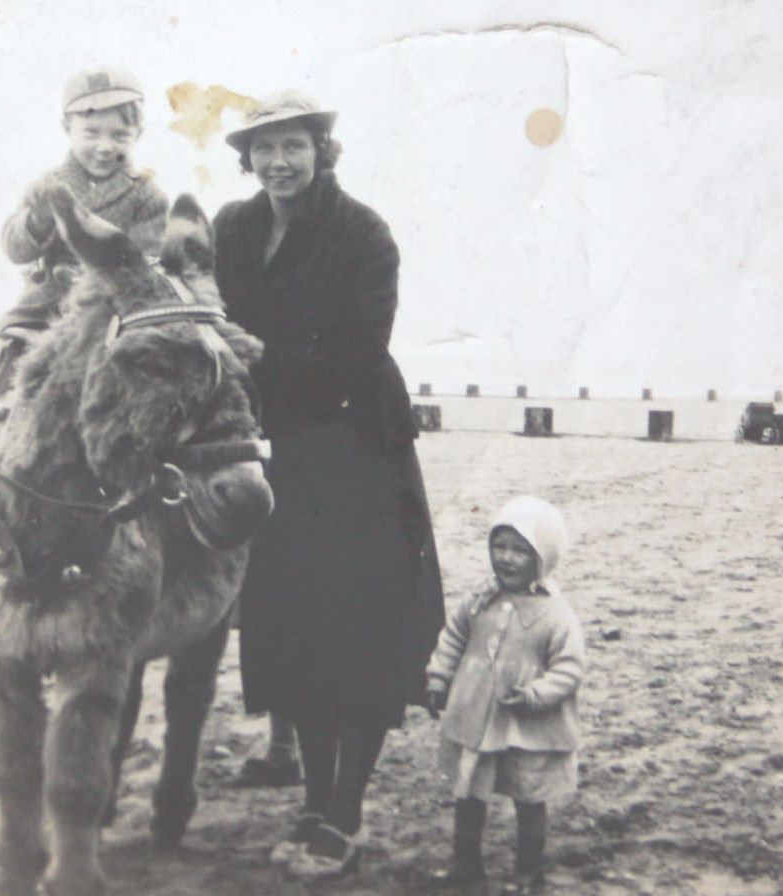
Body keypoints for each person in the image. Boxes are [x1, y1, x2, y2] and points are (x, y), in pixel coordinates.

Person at [213, 90, 445, 877]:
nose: (279, 162)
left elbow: (359, 354)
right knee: (295, 628)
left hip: (357, 451)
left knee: (361, 628)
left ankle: (344, 813)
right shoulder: (234, 229)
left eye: (294, 146)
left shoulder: (363, 235)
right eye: (265, 148)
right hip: (277, 454)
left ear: (321, 150)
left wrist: (260, 356)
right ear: (248, 157)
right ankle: (317, 801)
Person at [426, 496, 585, 896]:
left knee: (530, 797)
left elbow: (569, 669)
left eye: (520, 550)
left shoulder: (557, 614)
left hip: (527, 726)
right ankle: (467, 866)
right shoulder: (481, 599)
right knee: (469, 791)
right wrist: (439, 677)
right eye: (500, 547)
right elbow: (454, 637)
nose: (507, 559)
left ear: (543, 557)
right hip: (478, 717)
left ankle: (529, 872)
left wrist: (535, 694)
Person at [0, 66, 168, 392]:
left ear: (138, 134)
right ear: (68, 128)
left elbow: (148, 264)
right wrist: (38, 219)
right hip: (43, 309)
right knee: (5, 360)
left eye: (119, 135)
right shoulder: (48, 186)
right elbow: (15, 249)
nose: (105, 146)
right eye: (91, 133)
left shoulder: (146, 196)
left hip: (115, 315)